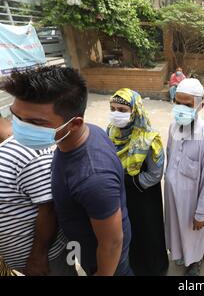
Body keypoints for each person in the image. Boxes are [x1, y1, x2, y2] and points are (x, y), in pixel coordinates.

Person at [3, 67, 132, 276]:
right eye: (16, 116)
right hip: (85, 251)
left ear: (75, 124)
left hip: (104, 262)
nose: (21, 128)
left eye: (35, 123)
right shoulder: (82, 135)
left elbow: (112, 242)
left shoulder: (93, 177)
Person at [0, 114, 75, 276]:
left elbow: (51, 207)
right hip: (25, 261)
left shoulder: (24, 150)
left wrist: (38, 257)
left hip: (49, 260)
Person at [107, 88, 167, 276]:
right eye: (113, 108)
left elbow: (155, 174)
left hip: (143, 195)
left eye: (123, 110)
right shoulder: (110, 131)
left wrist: (127, 182)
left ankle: (154, 269)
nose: (117, 114)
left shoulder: (149, 138)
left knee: (148, 232)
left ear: (135, 111)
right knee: (126, 232)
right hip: (121, 194)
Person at [164, 79, 204, 276]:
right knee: (175, 230)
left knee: (193, 234)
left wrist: (202, 213)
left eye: (187, 105)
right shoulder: (173, 126)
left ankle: (195, 261)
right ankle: (180, 254)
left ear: (200, 106)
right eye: (177, 103)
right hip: (172, 195)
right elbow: (170, 155)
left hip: (191, 201)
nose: (181, 108)